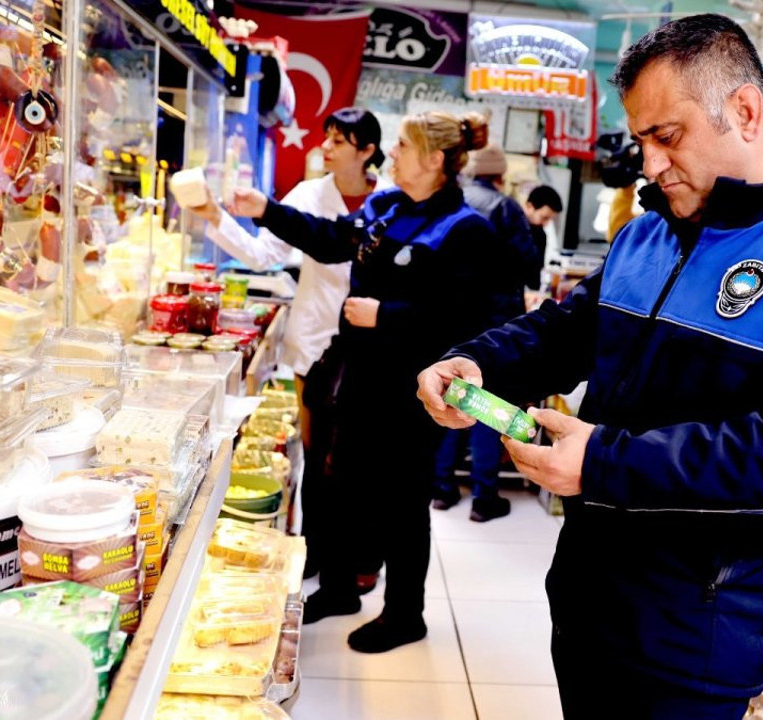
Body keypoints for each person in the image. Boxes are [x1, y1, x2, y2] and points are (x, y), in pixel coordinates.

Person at [416, 14, 763, 717]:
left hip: (697, 629)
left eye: (667, 136)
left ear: (744, 111)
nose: (649, 165)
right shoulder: (647, 235)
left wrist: (603, 462)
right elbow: (567, 329)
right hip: (589, 594)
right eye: (641, 140)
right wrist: (477, 362)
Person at [226, 110, 500, 654]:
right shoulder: (385, 206)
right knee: (337, 486)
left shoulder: (466, 229)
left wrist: (388, 315)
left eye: (401, 145)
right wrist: (267, 212)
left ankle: (405, 614)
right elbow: (331, 241)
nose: (390, 154)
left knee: (401, 502)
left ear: (435, 159)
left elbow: (465, 320)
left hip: (412, 390)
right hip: (354, 375)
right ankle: (338, 588)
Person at [193, 108, 388, 593]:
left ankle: (364, 555)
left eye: (340, 140)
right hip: (317, 341)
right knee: (319, 454)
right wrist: (216, 219)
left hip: (374, 347)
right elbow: (264, 254)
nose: (327, 146)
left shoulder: (389, 200)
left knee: (364, 458)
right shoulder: (309, 194)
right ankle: (313, 552)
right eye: (326, 136)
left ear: (366, 151)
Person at [430, 144, 531, 521]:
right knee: (488, 407)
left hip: (454, 321)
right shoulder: (505, 207)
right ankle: (484, 498)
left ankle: (441, 489)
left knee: (453, 399)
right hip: (497, 322)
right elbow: (527, 263)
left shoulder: (453, 201)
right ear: (500, 174)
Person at [522, 185, 563, 289]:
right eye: (544, 218)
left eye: (550, 219)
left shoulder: (540, 234)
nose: (546, 223)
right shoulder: (510, 229)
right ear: (529, 207)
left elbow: (537, 269)